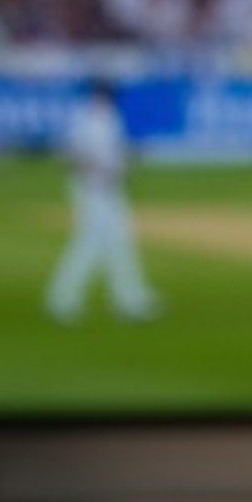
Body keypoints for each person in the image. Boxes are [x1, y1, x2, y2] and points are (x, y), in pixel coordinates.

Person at [44, 81, 161, 323]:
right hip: (93, 189)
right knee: (91, 242)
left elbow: (111, 152)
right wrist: (96, 175)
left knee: (120, 242)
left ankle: (130, 298)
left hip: (110, 187)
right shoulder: (86, 118)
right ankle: (62, 298)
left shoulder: (107, 117)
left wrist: (128, 158)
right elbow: (70, 152)